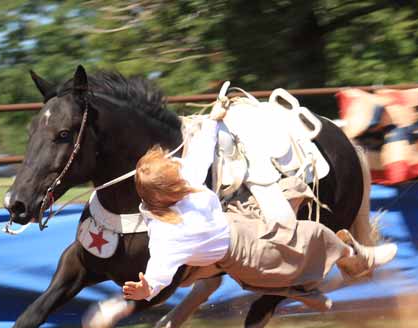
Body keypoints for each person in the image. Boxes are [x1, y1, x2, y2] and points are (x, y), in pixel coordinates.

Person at [122, 100, 397, 302]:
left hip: (238, 219)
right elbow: (159, 269)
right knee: (311, 232)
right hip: (242, 252)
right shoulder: (165, 233)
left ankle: (309, 279)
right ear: (165, 191)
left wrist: (214, 119)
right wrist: (147, 289)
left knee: (292, 189)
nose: (178, 166)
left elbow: (202, 153)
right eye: (172, 171)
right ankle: (357, 258)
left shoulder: (186, 183)